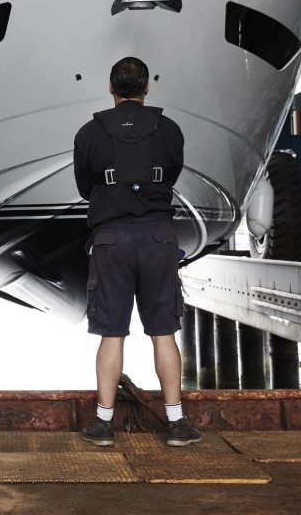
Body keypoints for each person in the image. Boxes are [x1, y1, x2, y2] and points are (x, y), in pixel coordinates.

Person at [72, 56, 201, 448]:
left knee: (112, 334)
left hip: (110, 240)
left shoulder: (89, 133)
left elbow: (84, 188)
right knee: (164, 333)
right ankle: (176, 424)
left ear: (111, 88)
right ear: (146, 88)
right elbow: (172, 175)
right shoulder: (170, 130)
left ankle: (103, 424)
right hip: (158, 238)